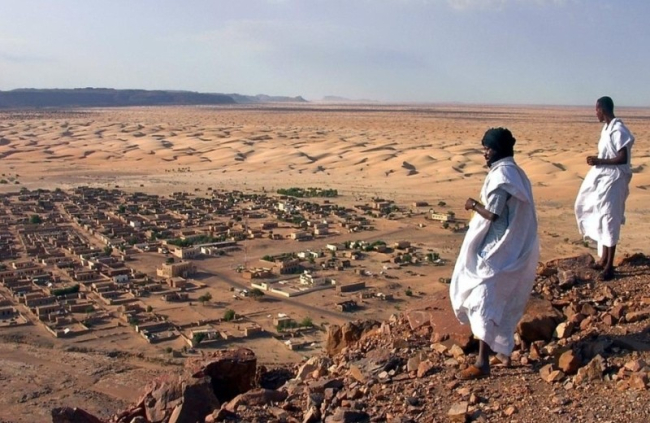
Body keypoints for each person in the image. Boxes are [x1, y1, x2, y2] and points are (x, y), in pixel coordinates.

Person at [450, 128, 540, 380]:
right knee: (501, 302)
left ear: (498, 149)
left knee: (483, 300)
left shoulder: (502, 176)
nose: (485, 154)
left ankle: (482, 363)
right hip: (510, 248)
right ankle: (503, 353)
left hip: (497, 251)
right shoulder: (516, 172)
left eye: (488, 149)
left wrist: (473, 204)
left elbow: (493, 214)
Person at [575, 96, 635, 281]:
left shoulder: (618, 130)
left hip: (614, 181)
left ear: (602, 109)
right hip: (605, 180)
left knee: (610, 218)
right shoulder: (607, 129)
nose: (596, 113)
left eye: (596, 110)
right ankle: (603, 259)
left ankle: (609, 267)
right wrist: (598, 161)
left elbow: (623, 158)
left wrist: (599, 161)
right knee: (602, 216)